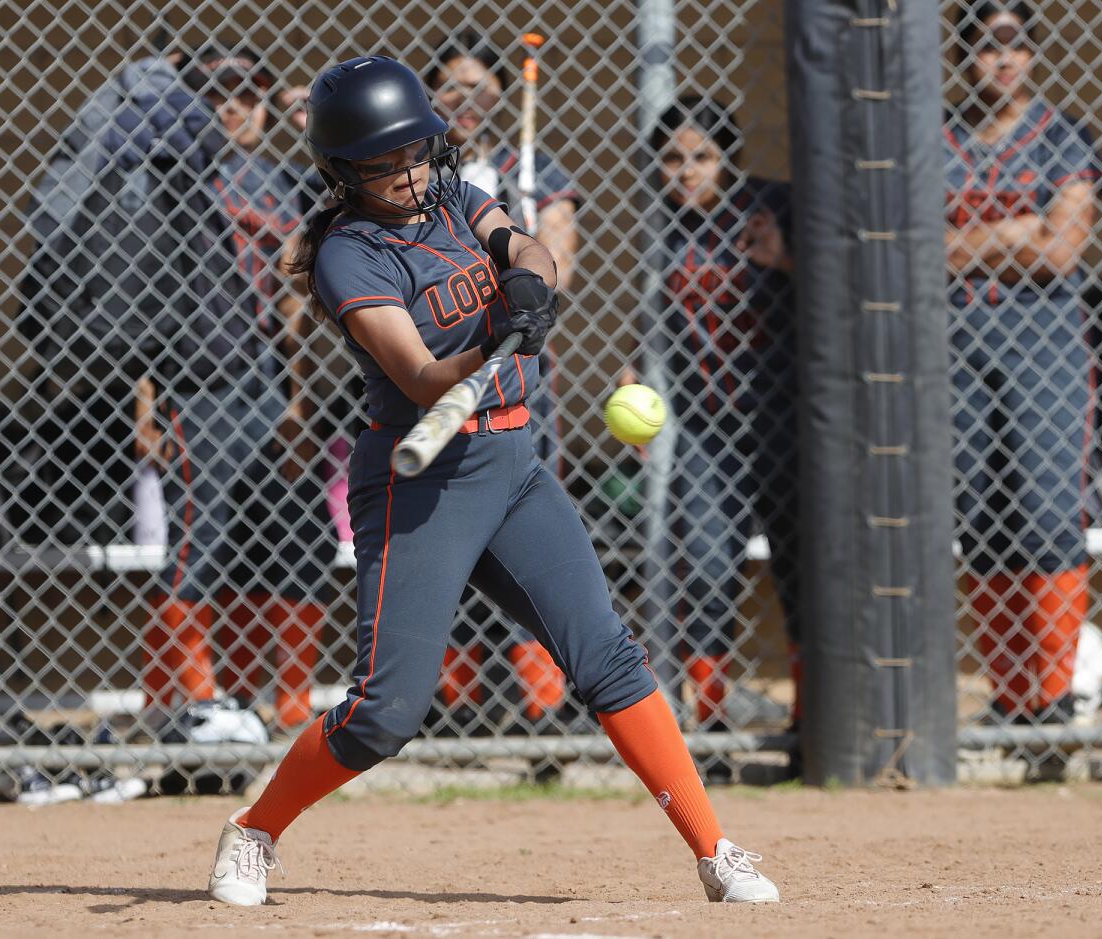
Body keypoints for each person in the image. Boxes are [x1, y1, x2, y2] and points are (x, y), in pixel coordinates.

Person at [205, 56, 779, 907]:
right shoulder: (347, 253)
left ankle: (714, 847)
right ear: (342, 171)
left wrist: (526, 281)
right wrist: (494, 338)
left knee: (608, 657)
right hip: (421, 485)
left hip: (514, 468)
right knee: (385, 713)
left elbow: (529, 245)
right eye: (381, 163)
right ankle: (254, 829)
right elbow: (422, 376)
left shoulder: (453, 197)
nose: (404, 174)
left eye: (414, 154)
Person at [132, 43, 337, 732]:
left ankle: (278, 707)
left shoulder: (287, 183)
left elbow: (340, 203)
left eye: (249, 91)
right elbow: (144, 303)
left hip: (273, 385)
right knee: (202, 537)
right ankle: (176, 701)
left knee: (286, 536)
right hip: (200, 384)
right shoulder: (180, 184)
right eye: (215, 93)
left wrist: (300, 407)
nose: (233, 105)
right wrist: (147, 404)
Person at [626, 97, 801, 780]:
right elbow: (659, 317)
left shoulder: (771, 206)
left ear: (727, 158)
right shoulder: (663, 226)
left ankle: (807, 725)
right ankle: (715, 723)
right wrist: (636, 366)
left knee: (798, 568)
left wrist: (783, 258)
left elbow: (832, 294)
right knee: (706, 565)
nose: (686, 171)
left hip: (784, 416)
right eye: (672, 158)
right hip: (706, 427)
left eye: (701, 156)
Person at [946, 1, 1102, 723]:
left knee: (1044, 514)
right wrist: (1015, 228)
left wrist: (971, 240)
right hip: (957, 349)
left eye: (1013, 46)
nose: (1001, 60)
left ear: (1032, 54)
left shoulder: (1063, 137)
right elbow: (919, 252)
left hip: (1044, 349)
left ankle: (1054, 695)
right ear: (964, 57)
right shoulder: (937, 139)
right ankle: (1012, 697)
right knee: (980, 517)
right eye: (985, 47)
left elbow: (1062, 250)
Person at [423, 31, 582, 740]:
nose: (465, 101)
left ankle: (541, 706)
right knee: (446, 538)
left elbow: (560, 263)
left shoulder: (528, 169)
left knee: (525, 539)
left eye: (479, 88)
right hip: (438, 378)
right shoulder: (417, 173)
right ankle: (454, 704)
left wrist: (523, 249)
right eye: (450, 88)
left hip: (514, 376)